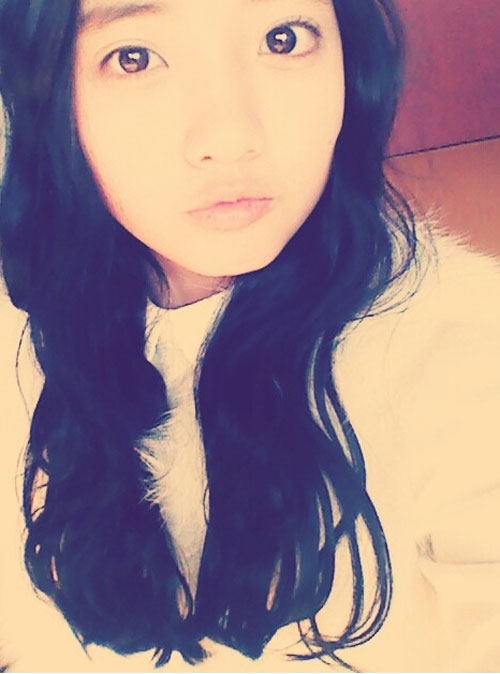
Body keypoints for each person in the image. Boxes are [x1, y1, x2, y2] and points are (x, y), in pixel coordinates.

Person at [0, 0, 499, 671]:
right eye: (135, 57)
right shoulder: (21, 324)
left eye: (282, 38)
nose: (231, 136)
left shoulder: (460, 350)